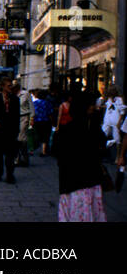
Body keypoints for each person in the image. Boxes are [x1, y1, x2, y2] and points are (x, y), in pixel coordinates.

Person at [55, 89, 108, 221]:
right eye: (91, 105)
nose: (94, 107)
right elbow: (101, 145)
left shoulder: (68, 129)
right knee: (85, 209)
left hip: (72, 180)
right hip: (86, 179)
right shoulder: (90, 127)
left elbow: (58, 154)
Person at [32, 89, 53, 158]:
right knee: (45, 135)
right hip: (45, 121)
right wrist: (52, 121)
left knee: (38, 135)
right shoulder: (47, 103)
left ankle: (34, 149)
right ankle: (43, 151)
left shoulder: (35, 103)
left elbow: (33, 113)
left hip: (37, 121)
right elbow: (50, 113)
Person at [16, 82, 33, 167]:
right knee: (16, 138)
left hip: (24, 117)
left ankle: (24, 158)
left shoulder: (25, 94)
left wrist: (32, 119)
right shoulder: (12, 94)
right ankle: (18, 158)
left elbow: (31, 106)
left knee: (21, 138)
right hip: (15, 118)